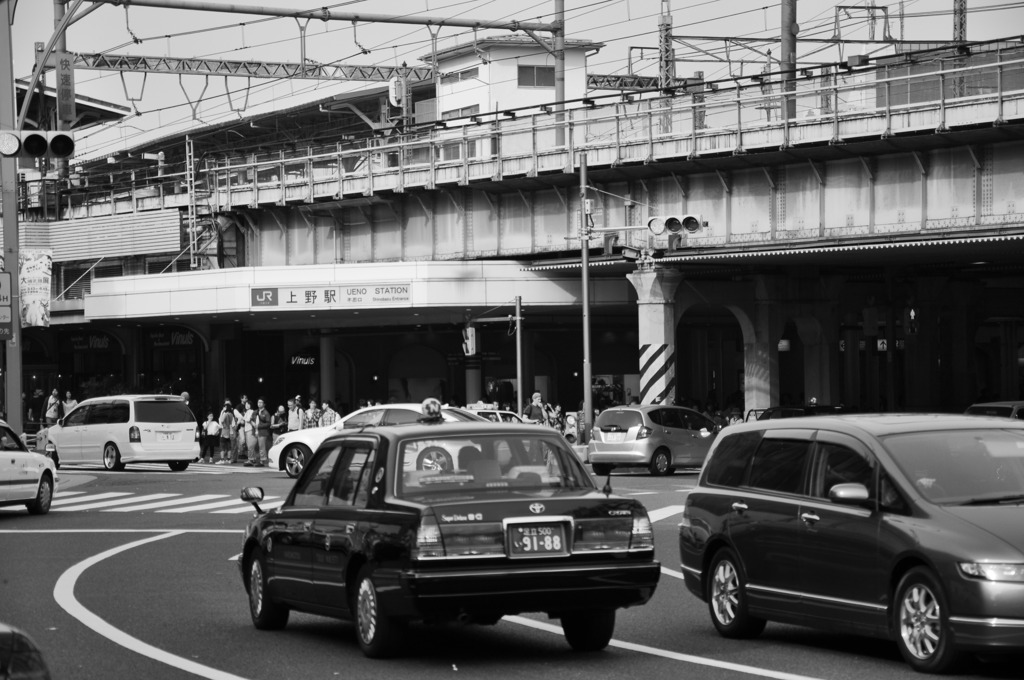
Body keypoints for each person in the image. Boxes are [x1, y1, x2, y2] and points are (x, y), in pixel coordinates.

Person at [254, 398, 271, 467]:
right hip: (256, 431)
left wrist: (259, 426)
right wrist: (254, 424)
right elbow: (251, 418)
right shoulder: (256, 411)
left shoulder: (266, 413)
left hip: (263, 432)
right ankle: (259, 459)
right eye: (258, 402)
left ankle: (262, 461)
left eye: (261, 402)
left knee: (262, 446)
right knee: (257, 446)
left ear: (264, 404)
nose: (259, 404)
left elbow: (268, 423)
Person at [217, 400, 235, 464]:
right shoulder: (231, 414)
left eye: (225, 407)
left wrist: (223, 424)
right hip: (229, 430)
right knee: (228, 446)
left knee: (222, 445)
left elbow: (221, 420)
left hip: (224, 430)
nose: (224, 408)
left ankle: (222, 460)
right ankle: (228, 459)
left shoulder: (225, 414)